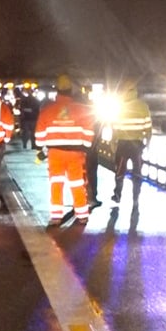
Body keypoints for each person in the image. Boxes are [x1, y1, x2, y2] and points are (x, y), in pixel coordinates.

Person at [35, 75, 97, 226]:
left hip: (54, 154)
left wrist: (43, 148)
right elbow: (89, 133)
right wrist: (85, 146)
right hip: (75, 154)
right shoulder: (82, 110)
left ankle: (56, 216)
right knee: (77, 183)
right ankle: (82, 215)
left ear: (57, 90)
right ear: (71, 91)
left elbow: (39, 137)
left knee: (56, 183)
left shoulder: (47, 110)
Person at [109, 81, 152, 205]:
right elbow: (148, 126)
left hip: (122, 145)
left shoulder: (119, 106)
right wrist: (148, 140)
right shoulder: (143, 106)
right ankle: (136, 197)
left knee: (120, 171)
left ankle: (117, 194)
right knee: (137, 171)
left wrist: (113, 142)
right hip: (137, 144)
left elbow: (114, 127)